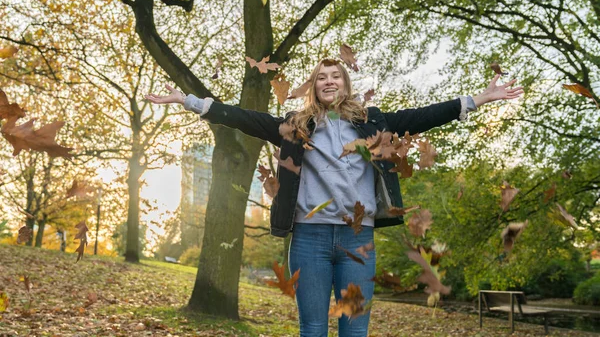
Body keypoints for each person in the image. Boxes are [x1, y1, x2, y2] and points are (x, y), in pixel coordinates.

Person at [145, 58, 523, 337]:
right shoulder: (296, 125)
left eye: (335, 76)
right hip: (309, 239)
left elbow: (422, 116)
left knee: (355, 330)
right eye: (321, 77)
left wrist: (477, 99)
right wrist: (190, 101)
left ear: (345, 85)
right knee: (311, 328)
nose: (328, 81)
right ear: (314, 87)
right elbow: (245, 118)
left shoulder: (373, 122)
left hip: (358, 243)